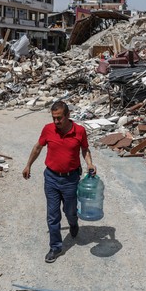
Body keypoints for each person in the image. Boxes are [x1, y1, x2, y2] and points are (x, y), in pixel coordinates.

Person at [22, 100, 96, 263]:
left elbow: (85, 149)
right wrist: (28, 165)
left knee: (69, 211)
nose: (56, 122)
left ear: (68, 115)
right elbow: (37, 148)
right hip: (51, 178)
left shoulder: (79, 131)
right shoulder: (48, 129)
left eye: (59, 118)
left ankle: (73, 223)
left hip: (71, 179)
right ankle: (55, 247)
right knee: (52, 215)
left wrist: (89, 163)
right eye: (53, 118)